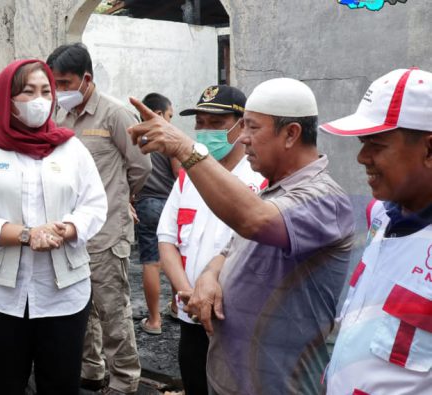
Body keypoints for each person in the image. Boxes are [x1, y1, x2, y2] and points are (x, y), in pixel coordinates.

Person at [128, 78, 355, 395]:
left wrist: (185, 149)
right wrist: (209, 275)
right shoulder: (274, 191)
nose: (244, 140)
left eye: (252, 128)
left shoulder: (322, 198)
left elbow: (254, 222)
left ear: (291, 134)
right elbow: (230, 248)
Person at [0, 59, 108, 395]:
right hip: (0, 295)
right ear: (5, 98)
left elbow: (95, 205)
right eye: (28, 92)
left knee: (61, 384)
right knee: (6, 383)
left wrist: (66, 229)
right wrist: (27, 235)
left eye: (45, 91)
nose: (40, 100)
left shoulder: (71, 148)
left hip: (65, 293)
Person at [321, 68, 432, 394]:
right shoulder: (382, 217)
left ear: (429, 149)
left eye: (377, 144)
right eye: (362, 142)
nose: (361, 157)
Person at [47, 43, 149, 395]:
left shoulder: (115, 115)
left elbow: (141, 166)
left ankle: (124, 380)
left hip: (106, 232)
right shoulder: (57, 117)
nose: (59, 91)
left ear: (86, 79)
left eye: (64, 83)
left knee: (112, 309)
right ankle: (91, 370)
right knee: (80, 308)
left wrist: (122, 199)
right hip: (70, 231)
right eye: (54, 84)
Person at [155, 85, 264, 395]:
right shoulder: (187, 177)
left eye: (215, 124)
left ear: (241, 126)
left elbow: (252, 249)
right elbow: (166, 239)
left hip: (236, 322)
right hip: (191, 317)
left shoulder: (260, 180)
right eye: (199, 124)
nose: (204, 133)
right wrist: (187, 293)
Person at [137, 92, 180, 332]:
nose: (170, 121)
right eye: (170, 115)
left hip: (147, 203)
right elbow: (178, 173)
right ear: (160, 113)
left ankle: (154, 321)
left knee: (151, 262)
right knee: (173, 255)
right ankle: (176, 306)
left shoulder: (135, 135)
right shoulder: (168, 137)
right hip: (170, 203)